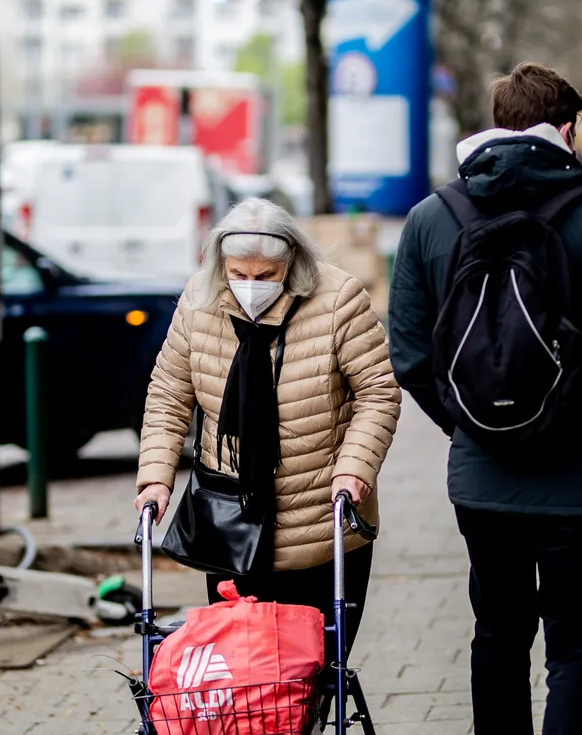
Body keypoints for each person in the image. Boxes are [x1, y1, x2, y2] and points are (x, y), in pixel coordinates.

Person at [388, 62, 582, 735]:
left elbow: (409, 355)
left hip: (483, 480)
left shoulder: (430, 220)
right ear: (564, 129)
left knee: (496, 637)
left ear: (498, 126)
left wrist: (471, 423)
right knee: (576, 648)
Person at [134, 197, 401, 672]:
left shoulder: (339, 299)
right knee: (240, 676)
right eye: (239, 273)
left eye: (265, 276)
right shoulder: (199, 301)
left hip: (319, 521)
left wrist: (355, 470)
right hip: (229, 521)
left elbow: (378, 394)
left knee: (309, 675)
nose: (249, 287)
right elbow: (169, 395)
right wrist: (155, 476)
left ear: (292, 264)